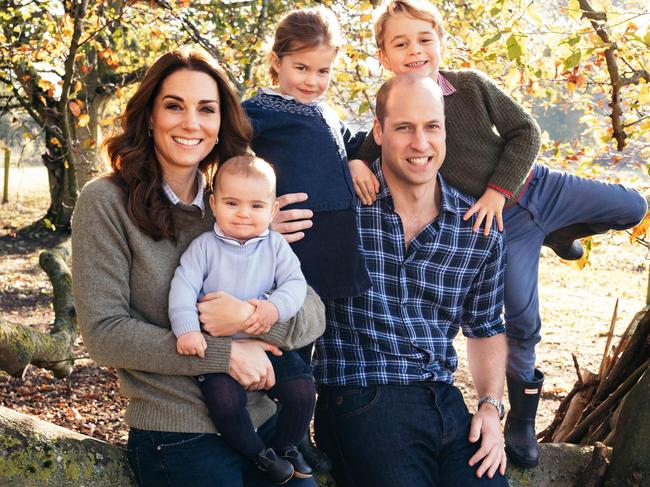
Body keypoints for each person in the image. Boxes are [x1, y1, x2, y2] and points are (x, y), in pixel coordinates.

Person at [347, 0, 648, 468]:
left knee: (634, 206)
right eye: (400, 43)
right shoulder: (392, 106)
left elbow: (525, 131)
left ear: (441, 43)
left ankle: (565, 232)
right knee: (521, 319)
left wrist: (497, 190)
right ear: (384, 55)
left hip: (538, 188)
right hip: (504, 228)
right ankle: (522, 421)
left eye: (425, 39)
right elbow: (372, 147)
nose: (415, 50)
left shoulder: (469, 86)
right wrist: (352, 163)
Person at [71, 47, 323, 487]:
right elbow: (105, 334)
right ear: (149, 115)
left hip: (264, 422)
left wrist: (250, 317)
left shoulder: (236, 204)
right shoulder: (106, 202)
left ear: (221, 121)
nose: (191, 123)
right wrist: (227, 354)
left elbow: (314, 312)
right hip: (179, 434)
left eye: (206, 109)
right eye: (174, 106)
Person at [277, 74, 509, 486]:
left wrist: (490, 406)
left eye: (431, 127)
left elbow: (486, 327)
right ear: (379, 132)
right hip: (361, 395)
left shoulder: (477, 227)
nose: (421, 143)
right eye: (404, 127)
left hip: (447, 402)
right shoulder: (337, 211)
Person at [241, 6, 370, 471]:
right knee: (289, 342)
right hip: (293, 245)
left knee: (316, 342)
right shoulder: (258, 111)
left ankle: (308, 429)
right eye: (301, 68)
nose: (313, 80)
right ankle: (287, 433)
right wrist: (257, 213)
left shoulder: (326, 111)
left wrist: (356, 159)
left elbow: (352, 139)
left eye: (323, 70)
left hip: (332, 245)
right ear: (276, 61)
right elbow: (228, 163)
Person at [168, 155, 315, 483]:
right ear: (214, 203)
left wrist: (272, 308)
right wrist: (188, 330)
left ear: (273, 210)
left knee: (302, 390)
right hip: (218, 348)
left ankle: (286, 445)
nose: (244, 214)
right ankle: (258, 455)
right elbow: (182, 287)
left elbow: (295, 285)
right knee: (224, 402)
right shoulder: (203, 247)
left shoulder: (276, 246)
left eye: (256, 206)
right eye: (232, 203)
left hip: (264, 343)